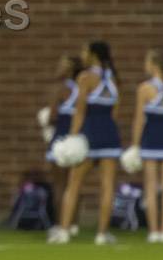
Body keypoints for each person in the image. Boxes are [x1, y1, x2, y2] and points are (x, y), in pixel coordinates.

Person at [50, 41, 121, 246]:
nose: (82, 54)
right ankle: (101, 234)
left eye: (84, 51)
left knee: (73, 185)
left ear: (93, 55)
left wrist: (72, 137)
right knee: (107, 186)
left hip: (89, 135)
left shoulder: (85, 78)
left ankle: (63, 231)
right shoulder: (114, 79)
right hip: (110, 134)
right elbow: (115, 111)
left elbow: (79, 111)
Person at [131, 50, 163, 244]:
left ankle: (153, 231)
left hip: (151, 140)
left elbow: (139, 119)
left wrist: (135, 144)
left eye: (146, 62)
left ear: (154, 65)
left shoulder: (144, 89)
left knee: (151, 187)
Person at [44, 55, 83, 229]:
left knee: (59, 186)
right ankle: (73, 223)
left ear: (69, 70)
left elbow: (52, 117)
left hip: (60, 140)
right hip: (78, 141)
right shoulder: (83, 88)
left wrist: (45, 120)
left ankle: (61, 224)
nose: (57, 68)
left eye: (61, 66)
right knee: (74, 185)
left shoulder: (59, 89)